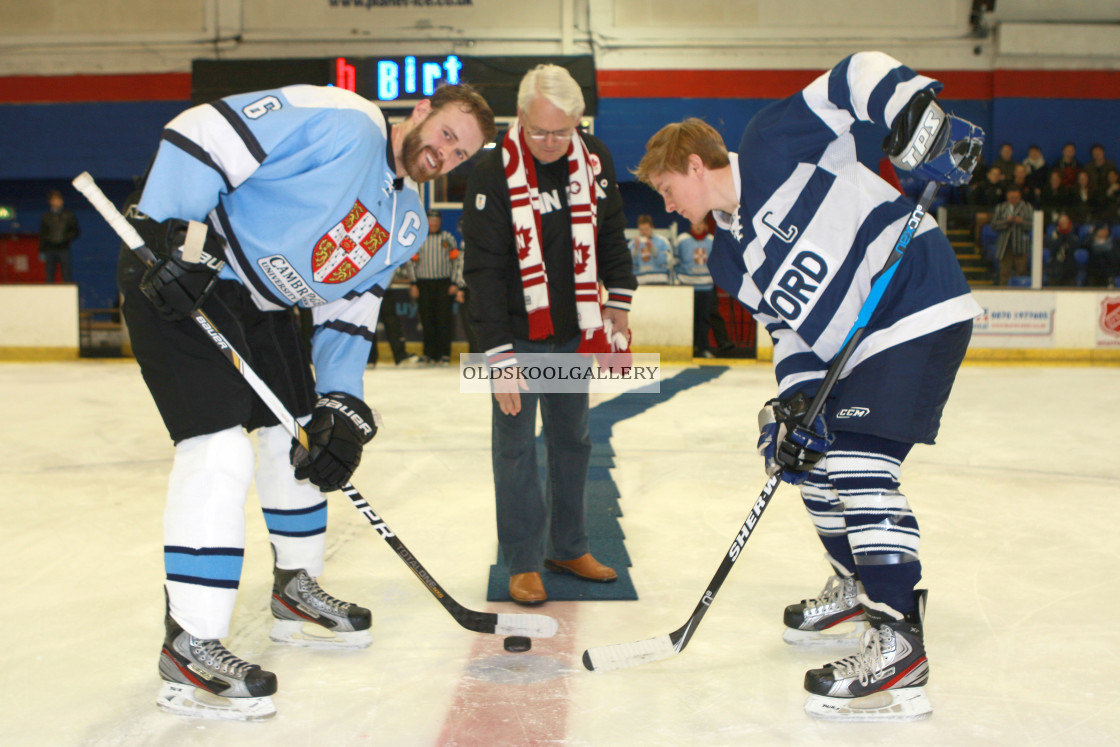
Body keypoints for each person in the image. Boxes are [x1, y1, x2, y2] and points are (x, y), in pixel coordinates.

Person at [118, 82, 494, 720]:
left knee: (299, 440)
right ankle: (188, 644)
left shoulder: (405, 220)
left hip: (261, 307)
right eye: (448, 135)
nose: (445, 155)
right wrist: (166, 233)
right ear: (422, 112)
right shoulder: (345, 119)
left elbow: (350, 315)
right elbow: (204, 130)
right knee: (217, 454)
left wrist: (342, 402)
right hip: (185, 275)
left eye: (460, 156)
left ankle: (295, 589)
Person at [634, 51, 983, 721]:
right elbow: (789, 335)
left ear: (694, 166)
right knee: (811, 461)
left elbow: (856, 76)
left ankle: (898, 639)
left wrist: (910, 110)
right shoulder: (728, 257)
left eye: (667, 190)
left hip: (917, 300)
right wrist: (792, 404)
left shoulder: (774, 143)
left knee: (857, 461)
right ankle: (857, 584)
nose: (671, 208)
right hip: (851, 353)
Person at [462, 64, 637, 606]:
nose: (549, 143)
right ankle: (522, 560)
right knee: (515, 451)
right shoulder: (492, 172)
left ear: (579, 123)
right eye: (538, 131)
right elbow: (483, 272)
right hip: (515, 339)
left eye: (561, 133)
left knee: (573, 443)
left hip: (576, 334)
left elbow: (610, 232)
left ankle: (569, 546)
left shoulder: (595, 159)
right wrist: (497, 356)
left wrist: (620, 304)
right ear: (519, 118)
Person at [408, 209, 461, 365]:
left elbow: (456, 261)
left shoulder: (448, 238)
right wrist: (413, 283)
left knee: (444, 320)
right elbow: (412, 262)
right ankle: (429, 355)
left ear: (440, 223)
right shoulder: (420, 238)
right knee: (427, 320)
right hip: (424, 284)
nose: (434, 224)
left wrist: (454, 282)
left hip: (443, 284)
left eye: (436, 221)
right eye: (431, 221)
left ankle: (444, 354)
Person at [674, 216, 732, 357]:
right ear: (690, 225)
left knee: (704, 319)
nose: (698, 227)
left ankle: (703, 348)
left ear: (706, 226)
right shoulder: (682, 240)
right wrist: (676, 282)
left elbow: (717, 262)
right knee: (689, 320)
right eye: (695, 223)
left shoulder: (711, 240)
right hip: (687, 287)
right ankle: (690, 347)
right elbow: (675, 261)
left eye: (701, 224)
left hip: (706, 286)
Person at [992, 186, 1034, 285]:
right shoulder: (1001, 208)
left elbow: (1033, 225)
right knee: (1004, 273)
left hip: (1021, 246)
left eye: (1015, 198)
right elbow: (994, 225)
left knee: (1021, 272)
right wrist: (1006, 221)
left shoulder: (1027, 208)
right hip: (1005, 246)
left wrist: (1021, 222)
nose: (1013, 200)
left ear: (1019, 197)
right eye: (1011, 198)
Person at [38, 189, 80, 283]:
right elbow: (43, 234)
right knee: (49, 274)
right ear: (50, 202)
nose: (57, 202)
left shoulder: (69, 215)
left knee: (66, 273)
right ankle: (49, 294)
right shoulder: (46, 216)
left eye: (59, 200)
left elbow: (76, 231)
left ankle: (67, 294)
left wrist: (65, 238)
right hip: (50, 249)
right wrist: (42, 250)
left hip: (64, 248)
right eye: (55, 200)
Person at [629, 214, 673, 284]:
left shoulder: (662, 241)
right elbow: (629, 264)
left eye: (646, 229)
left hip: (660, 281)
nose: (644, 232)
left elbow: (668, 262)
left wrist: (653, 249)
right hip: (640, 282)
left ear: (652, 227)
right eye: (641, 229)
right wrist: (635, 250)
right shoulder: (633, 244)